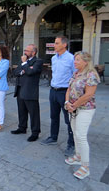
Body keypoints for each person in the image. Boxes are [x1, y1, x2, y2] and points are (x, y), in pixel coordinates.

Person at [64, 51, 100, 180]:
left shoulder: (91, 75)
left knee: (81, 136)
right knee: (75, 133)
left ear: (86, 61)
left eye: (78, 59)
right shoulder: (76, 73)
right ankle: (78, 156)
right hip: (72, 108)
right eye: (75, 59)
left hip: (85, 109)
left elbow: (89, 95)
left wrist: (74, 105)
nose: (75, 62)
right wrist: (67, 102)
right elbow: (68, 89)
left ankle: (85, 167)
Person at [40, 36, 76, 156]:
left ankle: (71, 144)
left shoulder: (71, 59)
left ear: (64, 45)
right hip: (53, 91)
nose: (54, 45)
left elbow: (75, 76)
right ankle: (53, 137)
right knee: (54, 116)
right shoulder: (54, 58)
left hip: (65, 92)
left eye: (56, 43)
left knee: (68, 119)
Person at [11, 44, 43, 141]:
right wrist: (23, 71)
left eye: (27, 50)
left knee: (33, 113)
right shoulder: (23, 61)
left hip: (30, 91)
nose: (25, 52)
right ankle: (22, 127)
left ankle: (35, 132)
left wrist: (25, 66)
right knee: (21, 110)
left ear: (33, 52)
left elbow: (30, 72)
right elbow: (15, 72)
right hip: (20, 89)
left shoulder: (38, 61)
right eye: (25, 50)